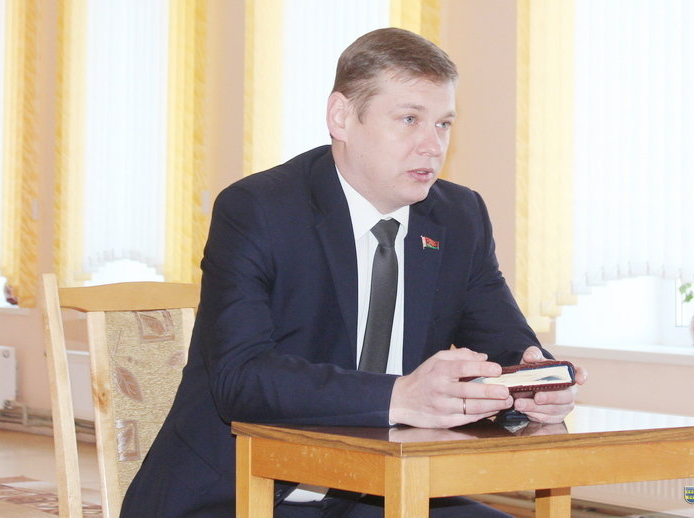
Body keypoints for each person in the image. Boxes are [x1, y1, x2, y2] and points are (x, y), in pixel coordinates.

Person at [120, 27, 586, 518]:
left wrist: (536, 385)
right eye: (409, 119)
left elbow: (507, 346)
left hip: (381, 491)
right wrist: (400, 396)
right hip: (242, 493)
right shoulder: (259, 209)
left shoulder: (458, 217)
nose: (432, 145)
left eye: (444, 124)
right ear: (341, 117)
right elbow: (241, 380)